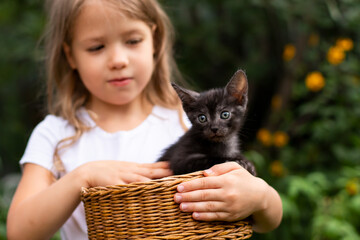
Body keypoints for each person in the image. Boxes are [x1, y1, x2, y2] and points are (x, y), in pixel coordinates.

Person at [6, 0, 282, 239]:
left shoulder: (185, 122)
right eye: (96, 47)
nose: (118, 60)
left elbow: (269, 219)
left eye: (132, 41)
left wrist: (260, 197)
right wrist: (83, 176)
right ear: (70, 56)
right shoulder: (55, 134)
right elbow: (19, 232)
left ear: (155, 40)